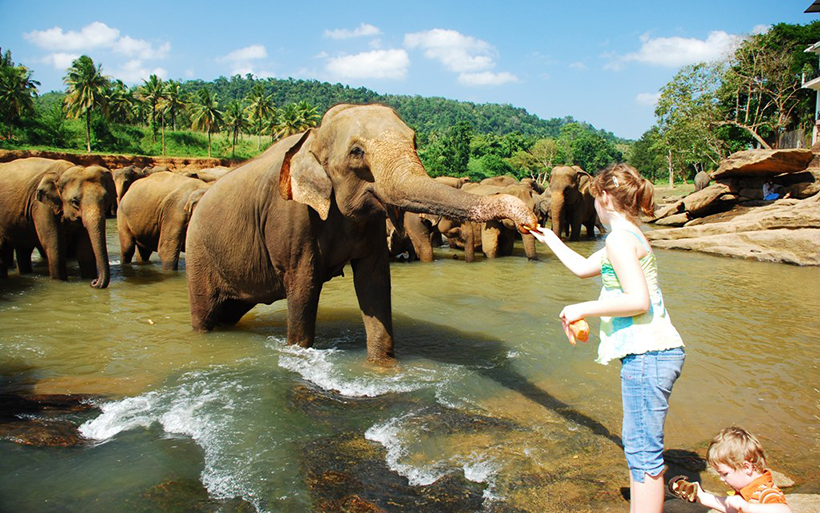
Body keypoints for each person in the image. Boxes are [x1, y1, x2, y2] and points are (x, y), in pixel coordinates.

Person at [529, 163, 685, 513]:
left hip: (650, 353)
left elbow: (638, 300)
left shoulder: (618, 240)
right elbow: (584, 269)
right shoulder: (628, 236)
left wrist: (578, 309)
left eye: (593, 198)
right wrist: (550, 238)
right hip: (653, 352)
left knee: (642, 452)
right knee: (639, 444)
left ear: (604, 198)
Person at [671, 426, 791, 512]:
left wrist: (747, 507)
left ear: (746, 467)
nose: (722, 479)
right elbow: (731, 508)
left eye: (725, 474)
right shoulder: (746, 490)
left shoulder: (765, 492)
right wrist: (701, 496)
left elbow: (784, 511)